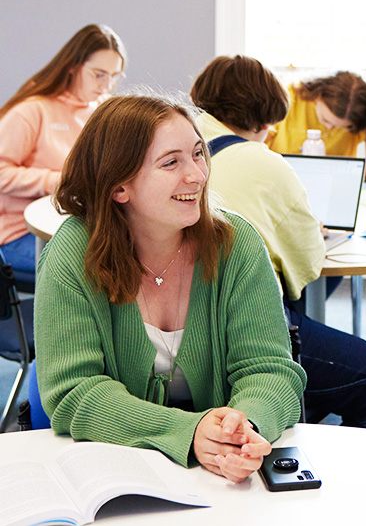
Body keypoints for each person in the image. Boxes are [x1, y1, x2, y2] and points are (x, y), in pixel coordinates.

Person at [34, 95, 306, 482]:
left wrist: (243, 428)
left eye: (198, 154)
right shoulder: (73, 253)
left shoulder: (237, 243)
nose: (197, 174)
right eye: (171, 162)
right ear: (119, 188)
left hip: (220, 476)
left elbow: (271, 371)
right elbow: (74, 392)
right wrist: (188, 432)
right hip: (114, 472)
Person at [190, 55, 366, 430]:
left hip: (173, 326)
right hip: (241, 329)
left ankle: (307, 407)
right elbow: (307, 265)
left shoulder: (172, 144)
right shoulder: (264, 163)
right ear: (267, 121)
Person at [0, 24, 125, 283]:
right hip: (20, 232)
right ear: (73, 67)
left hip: (75, 224)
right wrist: (59, 181)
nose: (107, 85)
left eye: (114, 76)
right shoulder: (32, 111)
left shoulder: (100, 111)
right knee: (97, 270)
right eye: (99, 74)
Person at [265, 71, 366, 181]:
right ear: (318, 95)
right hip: (281, 181)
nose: (330, 128)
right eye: (326, 120)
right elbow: (256, 149)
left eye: (343, 127)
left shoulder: (361, 117)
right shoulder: (289, 98)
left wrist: (347, 173)